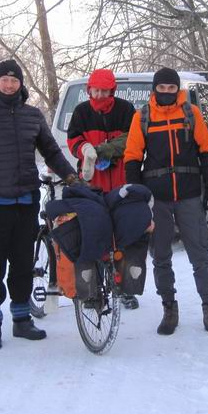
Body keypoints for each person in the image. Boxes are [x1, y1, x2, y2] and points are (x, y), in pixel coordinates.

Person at [0, 60, 78, 351]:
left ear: (20, 84)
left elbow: (51, 150)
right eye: (5, 80)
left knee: (24, 265)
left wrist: (70, 176)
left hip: (25, 201)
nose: (10, 85)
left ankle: (22, 320)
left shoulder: (33, 116)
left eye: (14, 80)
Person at [124, 67, 208, 336]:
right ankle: (169, 308)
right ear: (155, 89)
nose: (167, 92)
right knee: (161, 255)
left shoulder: (191, 114)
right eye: (162, 88)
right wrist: (136, 194)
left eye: (172, 88)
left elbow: (206, 150)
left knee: (200, 254)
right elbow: (133, 156)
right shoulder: (143, 117)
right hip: (156, 197)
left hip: (189, 194)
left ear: (177, 89)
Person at [66, 68, 139, 309]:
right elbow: (73, 139)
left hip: (118, 178)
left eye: (104, 90)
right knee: (92, 233)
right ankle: (92, 290)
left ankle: (124, 288)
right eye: (95, 90)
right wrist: (84, 149)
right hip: (91, 180)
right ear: (89, 90)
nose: (99, 94)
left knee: (122, 233)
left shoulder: (125, 110)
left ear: (112, 90)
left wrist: (106, 149)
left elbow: (133, 138)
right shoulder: (81, 112)